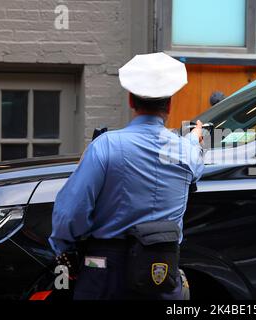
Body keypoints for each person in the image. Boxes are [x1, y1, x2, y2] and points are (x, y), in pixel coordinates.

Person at [49, 52, 205, 300]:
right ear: (170, 105)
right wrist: (194, 139)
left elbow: (70, 213)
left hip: (106, 275)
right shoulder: (187, 152)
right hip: (163, 275)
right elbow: (192, 158)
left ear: (131, 101)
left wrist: (62, 247)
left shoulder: (105, 146)